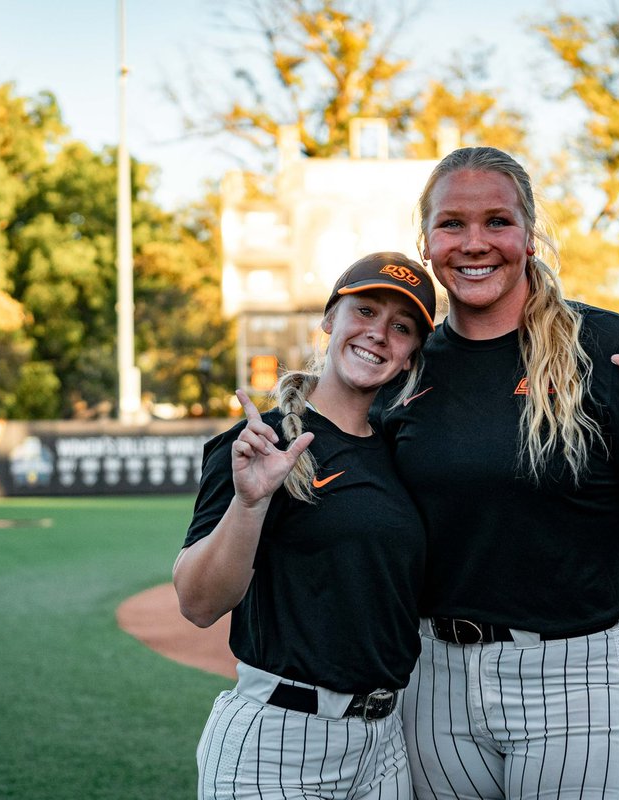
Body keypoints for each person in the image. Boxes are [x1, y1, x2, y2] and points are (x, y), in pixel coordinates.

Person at [378, 147, 619, 800]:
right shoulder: (404, 365)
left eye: (497, 221)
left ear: (529, 235)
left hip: (575, 676)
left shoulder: (603, 345)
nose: (475, 243)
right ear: (426, 243)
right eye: (452, 223)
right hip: (432, 682)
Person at [174, 252, 437, 800]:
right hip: (277, 739)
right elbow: (198, 604)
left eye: (402, 326)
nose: (379, 334)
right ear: (329, 320)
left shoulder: (404, 451)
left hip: (387, 742)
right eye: (364, 311)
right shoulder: (260, 442)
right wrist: (249, 503)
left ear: (413, 353)